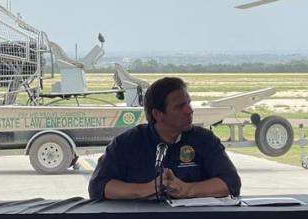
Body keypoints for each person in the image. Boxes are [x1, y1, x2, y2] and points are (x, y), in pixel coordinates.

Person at [88, 76, 241, 201]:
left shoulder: (204, 139)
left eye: (188, 103)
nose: (189, 110)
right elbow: (99, 187)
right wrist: (147, 189)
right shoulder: (127, 143)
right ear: (157, 114)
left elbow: (231, 183)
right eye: (180, 107)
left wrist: (187, 190)